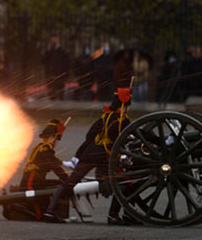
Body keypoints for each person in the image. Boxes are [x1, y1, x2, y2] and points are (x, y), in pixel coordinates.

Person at [41, 88, 133, 225]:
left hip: (89, 154)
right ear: (125, 105)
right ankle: (113, 216)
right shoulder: (123, 120)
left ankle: (49, 211)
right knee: (124, 184)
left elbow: (89, 136)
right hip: (105, 157)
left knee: (70, 182)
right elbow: (130, 136)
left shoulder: (104, 117)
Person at [2, 119, 69, 221]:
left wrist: (65, 164)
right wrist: (68, 178)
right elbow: (54, 166)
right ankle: (10, 204)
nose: (58, 142)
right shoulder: (46, 149)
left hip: (36, 180)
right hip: (32, 182)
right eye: (58, 138)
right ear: (52, 137)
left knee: (57, 184)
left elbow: (53, 161)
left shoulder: (41, 147)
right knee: (38, 214)